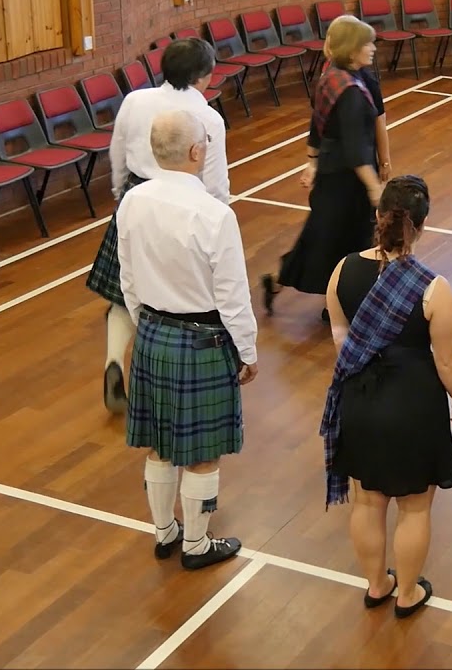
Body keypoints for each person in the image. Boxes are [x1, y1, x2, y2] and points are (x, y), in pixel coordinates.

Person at [319, 175, 452, 618]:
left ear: (378, 216)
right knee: (415, 506)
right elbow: (448, 362)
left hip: (360, 399)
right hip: (413, 404)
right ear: (420, 226)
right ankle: (407, 593)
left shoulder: (342, 269)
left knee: (367, 499)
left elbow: (341, 338)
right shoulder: (433, 286)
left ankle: (377, 584)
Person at [115, 109, 257, 570]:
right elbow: (232, 295)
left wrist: (146, 326)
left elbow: (128, 276)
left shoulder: (132, 202)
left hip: (154, 332)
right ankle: (196, 544)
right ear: (197, 152)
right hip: (204, 342)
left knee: (159, 442)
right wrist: (248, 351)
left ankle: (164, 533)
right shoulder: (215, 214)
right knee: (202, 451)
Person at [88, 37, 230, 413]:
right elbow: (215, 183)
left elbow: (117, 152)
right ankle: (169, 382)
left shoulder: (136, 100)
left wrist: (122, 194)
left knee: (124, 289)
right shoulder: (208, 118)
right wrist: (219, 223)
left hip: (135, 199)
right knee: (174, 297)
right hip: (185, 206)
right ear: (204, 76)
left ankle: (115, 362)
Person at [261, 15, 384, 322]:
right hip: (346, 180)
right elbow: (356, 150)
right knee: (338, 242)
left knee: (326, 240)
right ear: (352, 49)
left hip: (333, 174)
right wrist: (374, 188)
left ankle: (326, 300)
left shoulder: (332, 76)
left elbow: (317, 125)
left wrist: (312, 162)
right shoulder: (352, 92)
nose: (373, 48)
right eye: (367, 43)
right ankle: (311, 294)